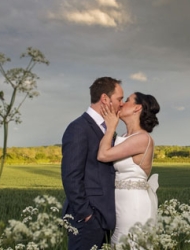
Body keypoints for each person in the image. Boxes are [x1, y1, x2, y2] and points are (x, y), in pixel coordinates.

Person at [61, 77, 124, 250]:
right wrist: (86, 215)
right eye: (119, 99)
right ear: (105, 99)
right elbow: (71, 176)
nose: (122, 104)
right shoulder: (78, 128)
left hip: (106, 217)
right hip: (87, 220)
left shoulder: (108, 128)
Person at [97, 92, 160, 245]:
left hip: (134, 204)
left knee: (129, 243)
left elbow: (103, 155)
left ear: (137, 108)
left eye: (127, 100)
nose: (122, 104)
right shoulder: (125, 136)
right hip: (120, 201)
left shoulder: (142, 138)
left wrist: (111, 127)